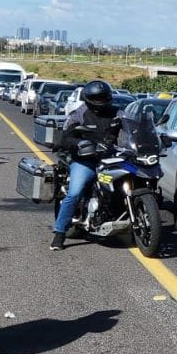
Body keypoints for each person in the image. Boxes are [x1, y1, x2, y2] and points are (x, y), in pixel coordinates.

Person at [50, 80, 121, 251]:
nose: (100, 100)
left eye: (103, 97)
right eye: (96, 97)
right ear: (88, 99)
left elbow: (134, 128)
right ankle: (59, 234)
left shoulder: (118, 113)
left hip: (112, 160)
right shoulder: (79, 114)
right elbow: (66, 137)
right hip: (86, 160)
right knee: (74, 193)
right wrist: (78, 144)